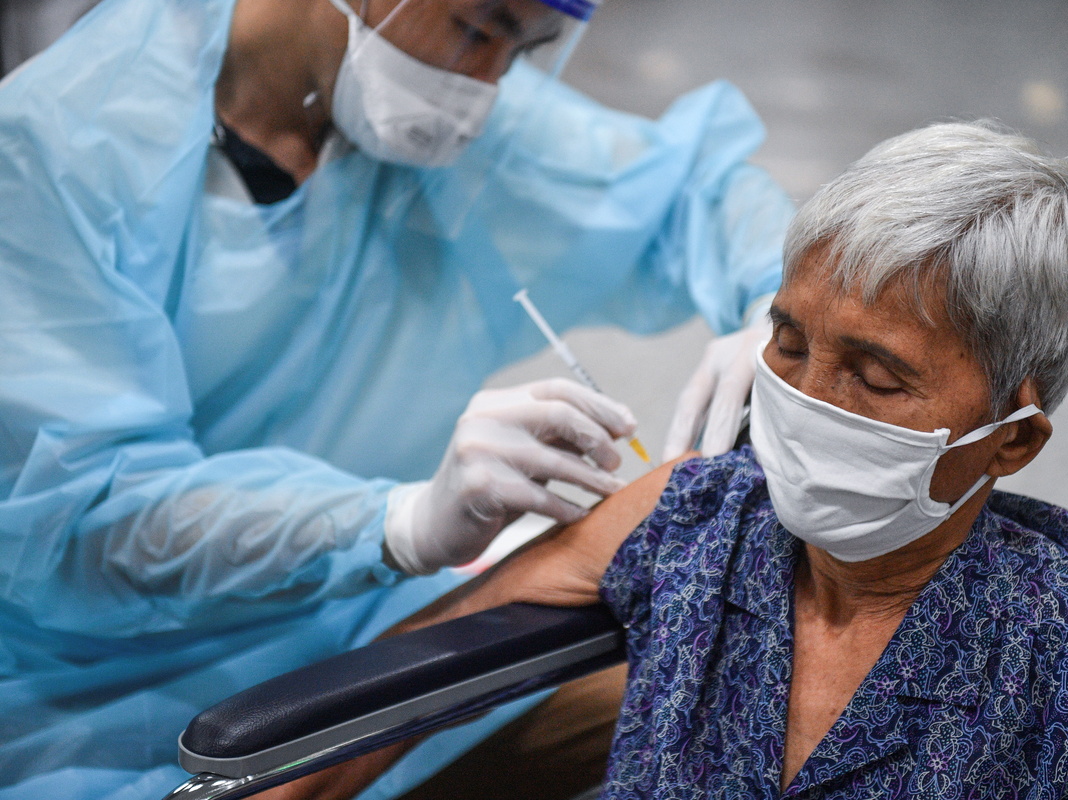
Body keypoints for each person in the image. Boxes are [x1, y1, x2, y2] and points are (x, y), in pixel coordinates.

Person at [0, 0, 794, 797]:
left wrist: (782, 310)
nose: (484, 89)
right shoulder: (54, 148)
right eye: (477, 30)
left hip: (366, 627)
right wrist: (393, 523)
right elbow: (82, 511)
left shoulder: (433, 106)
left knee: (740, 698)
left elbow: (692, 193)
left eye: (524, 50)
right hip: (92, 693)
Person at [382, 121, 1068, 798]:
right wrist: (403, 526)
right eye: (789, 343)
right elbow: (396, 687)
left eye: (877, 378)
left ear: (1011, 439)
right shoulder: (699, 520)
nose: (808, 401)